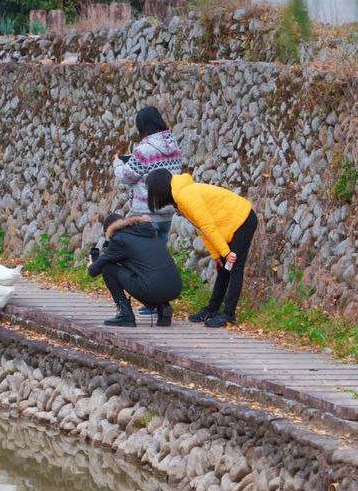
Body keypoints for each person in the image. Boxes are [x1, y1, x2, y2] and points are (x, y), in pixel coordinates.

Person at [146, 168, 258, 328]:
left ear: (159, 189)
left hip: (242, 220)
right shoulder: (180, 196)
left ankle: (228, 315)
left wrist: (226, 253)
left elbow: (207, 225)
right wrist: (216, 255)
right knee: (223, 268)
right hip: (230, 224)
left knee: (234, 267)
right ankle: (212, 310)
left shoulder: (185, 195)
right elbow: (201, 229)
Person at [112, 106, 182, 316]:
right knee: (161, 260)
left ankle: (153, 303)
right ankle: (161, 303)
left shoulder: (143, 150)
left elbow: (126, 176)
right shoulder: (174, 146)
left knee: (145, 262)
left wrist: (117, 163)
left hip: (146, 213)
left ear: (143, 126)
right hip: (166, 211)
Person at [87, 212, 183, 327]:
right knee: (146, 275)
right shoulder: (147, 233)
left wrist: (91, 263)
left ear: (109, 231)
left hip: (153, 288)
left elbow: (93, 271)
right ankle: (163, 307)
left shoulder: (119, 239)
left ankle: (125, 314)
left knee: (108, 268)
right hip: (175, 287)